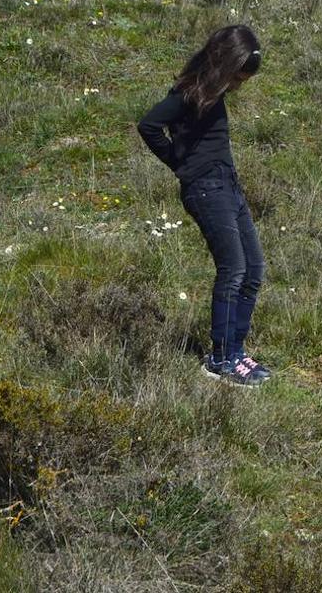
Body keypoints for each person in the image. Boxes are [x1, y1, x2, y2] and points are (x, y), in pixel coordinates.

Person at [137, 24, 270, 387]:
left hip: (228, 185)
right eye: (239, 76)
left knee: (254, 268)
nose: (240, 85)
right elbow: (148, 125)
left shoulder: (213, 92)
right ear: (226, 62)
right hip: (206, 189)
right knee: (234, 269)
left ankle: (237, 353)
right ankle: (219, 360)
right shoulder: (187, 92)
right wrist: (180, 165)